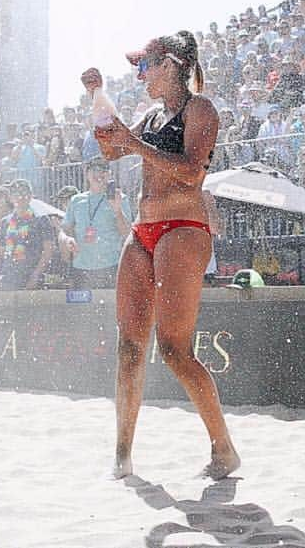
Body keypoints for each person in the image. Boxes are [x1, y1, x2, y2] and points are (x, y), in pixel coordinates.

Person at [83, 30, 240, 481]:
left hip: (183, 228)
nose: (139, 75)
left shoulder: (200, 109)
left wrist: (131, 143)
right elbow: (111, 150)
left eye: (144, 66)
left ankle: (223, 448)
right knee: (129, 347)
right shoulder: (152, 116)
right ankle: (122, 456)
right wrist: (95, 95)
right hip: (144, 228)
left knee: (173, 350)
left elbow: (192, 173)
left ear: (170, 64)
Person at [59, 156, 132, 289]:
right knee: (82, 309)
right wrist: (67, 239)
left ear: (109, 174)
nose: (99, 174)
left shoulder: (120, 198)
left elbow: (127, 234)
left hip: (110, 266)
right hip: (80, 267)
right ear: (87, 174)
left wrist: (117, 210)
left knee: (110, 308)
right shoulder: (76, 200)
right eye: (94, 170)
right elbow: (63, 229)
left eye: (103, 170)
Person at [0, 178, 55, 291]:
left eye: (24, 193)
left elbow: (48, 251)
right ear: (10, 198)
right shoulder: (5, 222)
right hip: (8, 279)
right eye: (16, 193)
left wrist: (35, 276)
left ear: (30, 196)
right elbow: (0, 254)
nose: (20, 196)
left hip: (31, 279)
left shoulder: (41, 219)